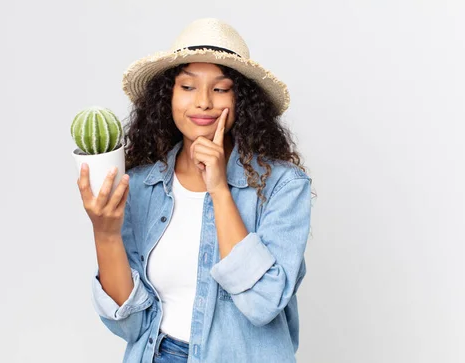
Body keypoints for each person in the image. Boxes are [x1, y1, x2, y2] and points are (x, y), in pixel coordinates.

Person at [78, 18, 312, 363]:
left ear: (242, 101)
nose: (203, 102)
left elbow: (263, 301)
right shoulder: (141, 185)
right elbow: (130, 326)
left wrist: (218, 188)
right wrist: (105, 233)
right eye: (187, 87)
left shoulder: (283, 186)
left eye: (220, 89)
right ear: (167, 96)